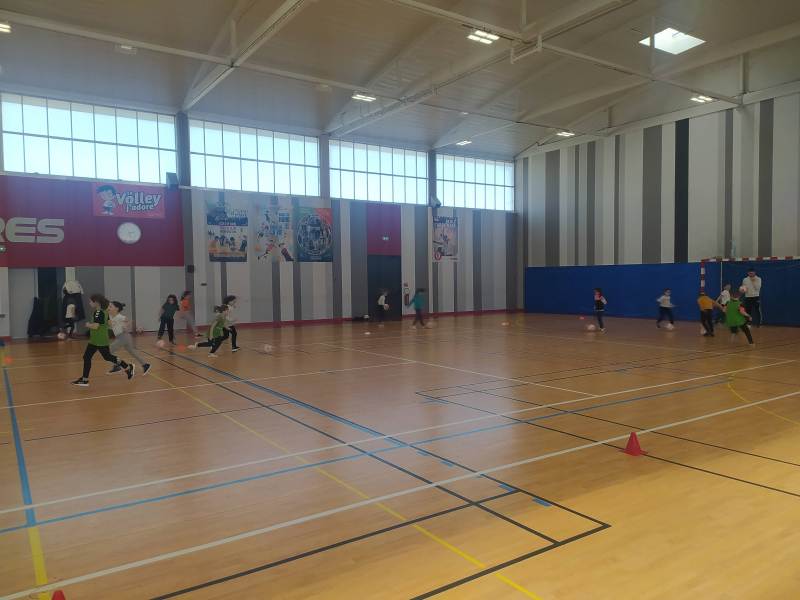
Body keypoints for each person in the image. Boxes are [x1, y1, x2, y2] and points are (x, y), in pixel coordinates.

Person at [72, 294, 134, 386]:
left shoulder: (98, 312)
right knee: (91, 357)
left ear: (96, 302)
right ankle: (84, 379)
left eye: (90, 301)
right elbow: (109, 323)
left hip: (99, 340)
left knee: (105, 357)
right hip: (96, 340)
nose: (89, 303)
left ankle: (127, 367)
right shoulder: (104, 311)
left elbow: (96, 326)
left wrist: (88, 325)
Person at [107, 301, 151, 375]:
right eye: (109, 306)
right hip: (124, 337)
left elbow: (130, 321)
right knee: (132, 352)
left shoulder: (119, 316)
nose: (108, 308)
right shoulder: (110, 315)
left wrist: (126, 325)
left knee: (108, 350)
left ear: (116, 309)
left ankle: (117, 366)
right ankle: (145, 364)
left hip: (123, 336)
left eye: (110, 306)